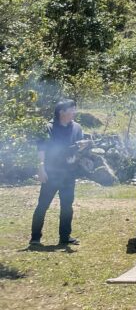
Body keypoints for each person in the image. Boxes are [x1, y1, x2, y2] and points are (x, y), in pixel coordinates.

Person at [30, 99, 84, 247]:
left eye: (75, 109)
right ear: (62, 112)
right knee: (43, 205)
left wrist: (78, 152)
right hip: (51, 172)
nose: (75, 112)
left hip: (69, 173)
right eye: (72, 109)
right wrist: (41, 168)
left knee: (67, 206)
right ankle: (35, 238)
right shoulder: (48, 127)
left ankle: (65, 237)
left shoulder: (77, 128)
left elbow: (78, 147)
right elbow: (41, 149)